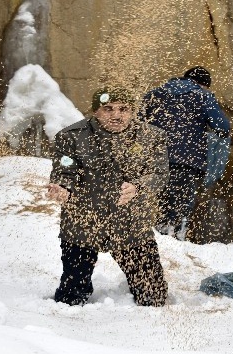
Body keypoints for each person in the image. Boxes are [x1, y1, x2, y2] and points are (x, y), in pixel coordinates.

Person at [46, 87, 169, 306]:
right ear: (95, 111)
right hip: (83, 221)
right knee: (70, 298)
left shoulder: (152, 137)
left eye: (124, 109)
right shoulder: (71, 137)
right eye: (108, 109)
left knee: (154, 296)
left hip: (130, 223)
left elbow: (159, 174)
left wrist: (138, 187)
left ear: (132, 112)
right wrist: (63, 187)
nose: (116, 115)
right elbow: (64, 170)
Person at [139, 66, 230, 238]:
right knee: (179, 204)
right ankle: (175, 240)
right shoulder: (202, 96)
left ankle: (160, 237)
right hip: (186, 161)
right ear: (203, 84)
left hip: (154, 159)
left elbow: (137, 123)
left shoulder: (155, 93)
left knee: (160, 201)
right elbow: (223, 127)